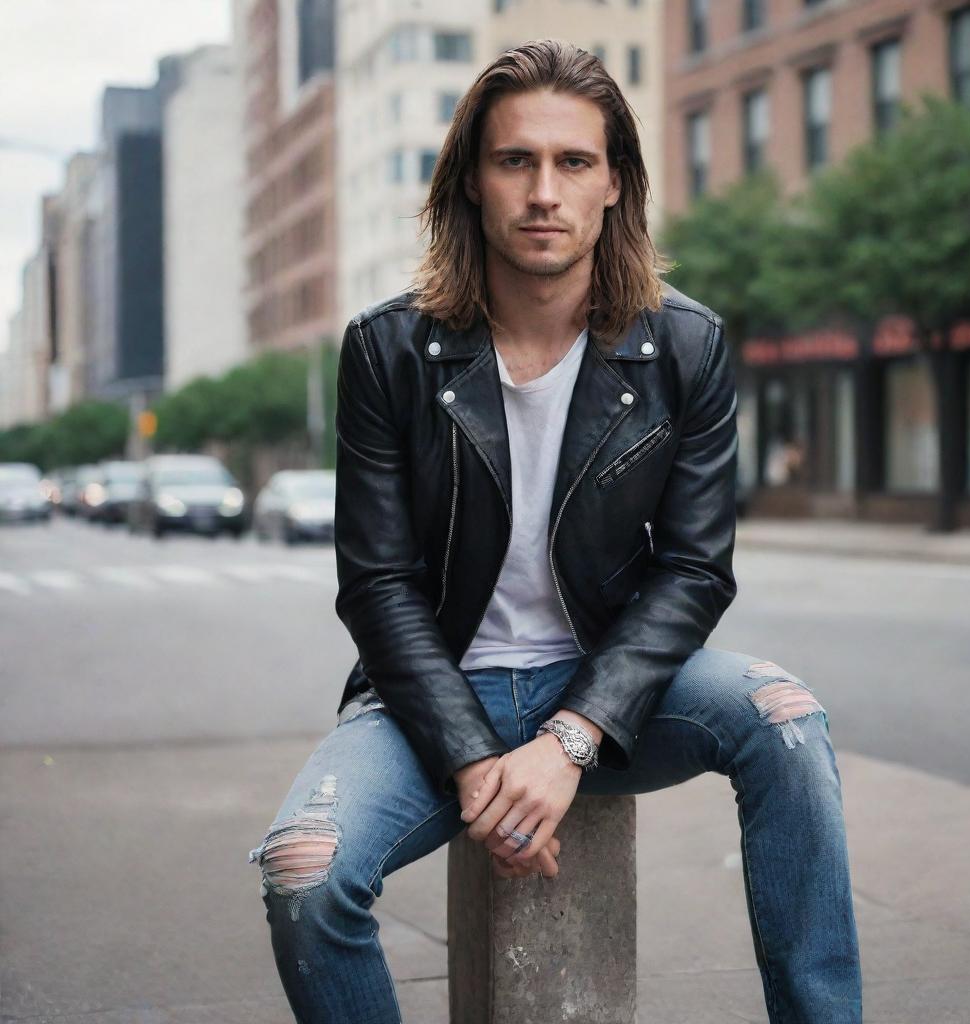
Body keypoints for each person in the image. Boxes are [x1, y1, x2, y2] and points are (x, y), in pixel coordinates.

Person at [248, 38, 863, 1023]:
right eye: (515, 161)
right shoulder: (389, 348)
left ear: (614, 183)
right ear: (471, 184)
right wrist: (475, 761)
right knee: (303, 872)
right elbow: (377, 583)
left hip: (610, 692)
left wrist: (568, 741)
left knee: (786, 719)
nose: (544, 191)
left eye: (573, 162)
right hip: (432, 699)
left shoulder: (685, 345)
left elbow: (696, 568)